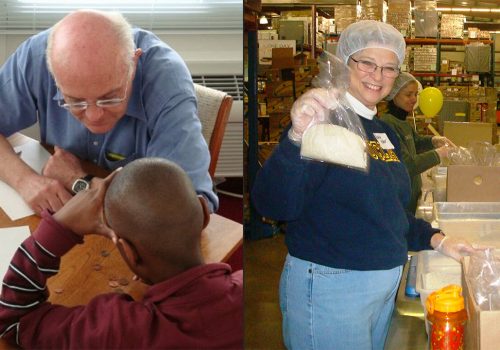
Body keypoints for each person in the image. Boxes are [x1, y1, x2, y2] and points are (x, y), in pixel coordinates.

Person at [251, 20, 478, 350]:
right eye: (367, 62)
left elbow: (390, 212)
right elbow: (272, 205)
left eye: (389, 68)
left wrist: (437, 239)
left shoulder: (383, 133)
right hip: (333, 287)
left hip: (381, 286)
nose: (378, 75)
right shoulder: (324, 122)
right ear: (345, 62)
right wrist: (297, 137)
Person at [0, 158, 243, 349]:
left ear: (129, 252)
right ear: (203, 213)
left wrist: (60, 227)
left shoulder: (118, 332)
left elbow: (14, 321)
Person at [0, 9, 217, 215]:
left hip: (136, 237)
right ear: (53, 73)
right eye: (75, 101)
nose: (94, 116)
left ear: (133, 64)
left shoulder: (169, 84)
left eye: (109, 97)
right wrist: (24, 180)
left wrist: (79, 181)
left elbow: (189, 210)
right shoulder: (36, 58)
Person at [380, 72, 455, 214]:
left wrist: (434, 141)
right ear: (394, 94)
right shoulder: (386, 125)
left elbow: (416, 142)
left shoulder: (402, 122)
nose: (414, 99)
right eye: (408, 95)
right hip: (398, 200)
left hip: (410, 196)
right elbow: (406, 165)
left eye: (416, 94)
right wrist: (438, 154)